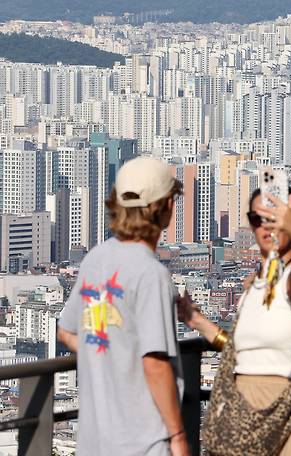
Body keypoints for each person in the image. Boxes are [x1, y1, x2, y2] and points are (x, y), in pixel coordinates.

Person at [177, 188, 291, 455]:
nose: (266, 226)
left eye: (276, 218)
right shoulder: (254, 286)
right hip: (243, 413)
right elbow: (243, 353)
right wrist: (200, 323)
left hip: (290, 411)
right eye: (257, 218)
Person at [57, 156, 190, 456]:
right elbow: (155, 364)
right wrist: (178, 434)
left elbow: (66, 333)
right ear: (166, 206)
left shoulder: (95, 259)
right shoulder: (150, 274)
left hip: (94, 442)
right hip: (142, 443)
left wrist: (112, 353)